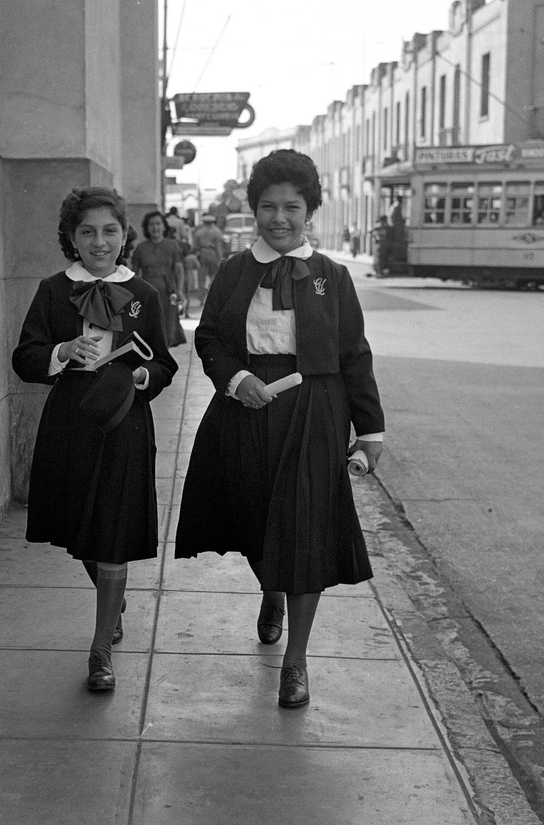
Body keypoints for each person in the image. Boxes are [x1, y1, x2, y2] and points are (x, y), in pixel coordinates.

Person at [175, 149, 385, 709]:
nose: (279, 218)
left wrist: (371, 431)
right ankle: (270, 588)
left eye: (292, 206)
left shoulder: (333, 278)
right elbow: (210, 337)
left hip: (315, 410)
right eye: (268, 206)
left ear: (309, 209)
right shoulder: (234, 271)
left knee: (308, 530)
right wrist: (235, 377)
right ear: (255, 210)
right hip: (246, 407)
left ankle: (296, 661)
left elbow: (353, 354)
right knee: (253, 514)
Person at [12, 187, 178, 692]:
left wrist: (146, 377)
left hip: (124, 422)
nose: (99, 242)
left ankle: (101, 647)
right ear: (71, 238)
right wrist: (62, 350)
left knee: (112, 528)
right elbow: (24, 358)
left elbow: (164, 363)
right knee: (76, 523)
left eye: (109, 231)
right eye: (87, 232)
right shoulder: (52, 290)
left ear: (123, 234)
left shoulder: (144, 295)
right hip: (70, 421)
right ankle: (113, 597)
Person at [132, 211, 188, 347]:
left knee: (168, 329)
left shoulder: (173, 245)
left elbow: (179, 270)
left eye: (158, 224)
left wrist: (180, 290)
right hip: (147, 296)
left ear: (164, 227)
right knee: (149, 330)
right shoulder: (140, 248)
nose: (155, 227)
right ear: (146, 228)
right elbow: (134, 273)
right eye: (151, 224)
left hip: (168, 295)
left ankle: (164, 362)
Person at [192, 212, 226, 297]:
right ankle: (213, 294)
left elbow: (195, 246)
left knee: (202, 276)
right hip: (213, 253)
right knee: (214, 275)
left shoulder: (199, 232)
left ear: (203, 222)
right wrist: (220, 257)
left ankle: (201, 297)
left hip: (202, 253)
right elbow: (219, 246)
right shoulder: (217, 232)